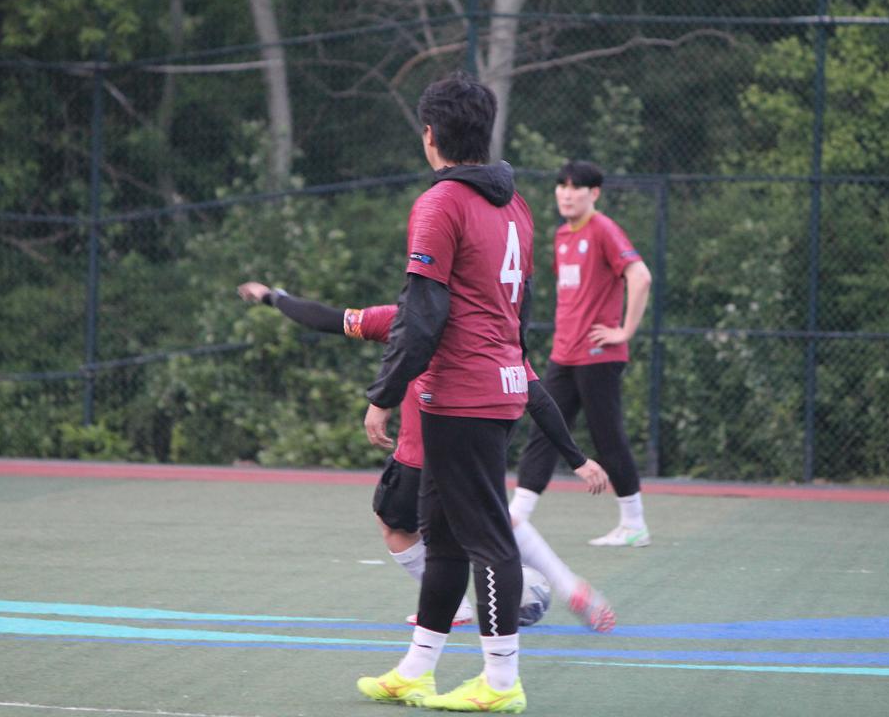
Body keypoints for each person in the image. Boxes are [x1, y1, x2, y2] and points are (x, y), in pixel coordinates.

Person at [236, 283, 616, 635]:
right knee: (497, 520)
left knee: (395, 526)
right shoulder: (493, 331)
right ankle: (568, 585)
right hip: (476, 452)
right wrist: (577, 459)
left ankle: (454, 610)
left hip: (420, 459)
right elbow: (537, 397)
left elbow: (327, 319)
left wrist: (274, 297)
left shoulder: (403, 319)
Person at [357, 70, 534, 712]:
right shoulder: (515, 205)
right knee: (444, 537)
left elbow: (423, 311)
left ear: (430, 135)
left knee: (486, 539)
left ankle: (501, 682)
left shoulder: (441, 203)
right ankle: (418, 668)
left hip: (464, 392)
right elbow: (520, 311)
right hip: (484, 386)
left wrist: (384, 392)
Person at [511, 160, 654, 548]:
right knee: (544, 431)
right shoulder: (561, 236)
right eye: (562, 186)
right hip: (565, 353)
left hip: (598, 355)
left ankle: (634, 524)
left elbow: (640, 276)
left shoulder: (603, 229)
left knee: (608, 437)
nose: (566, 194)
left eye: (576, 187)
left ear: (595, 193)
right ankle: (515, 518)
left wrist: (624, 331)